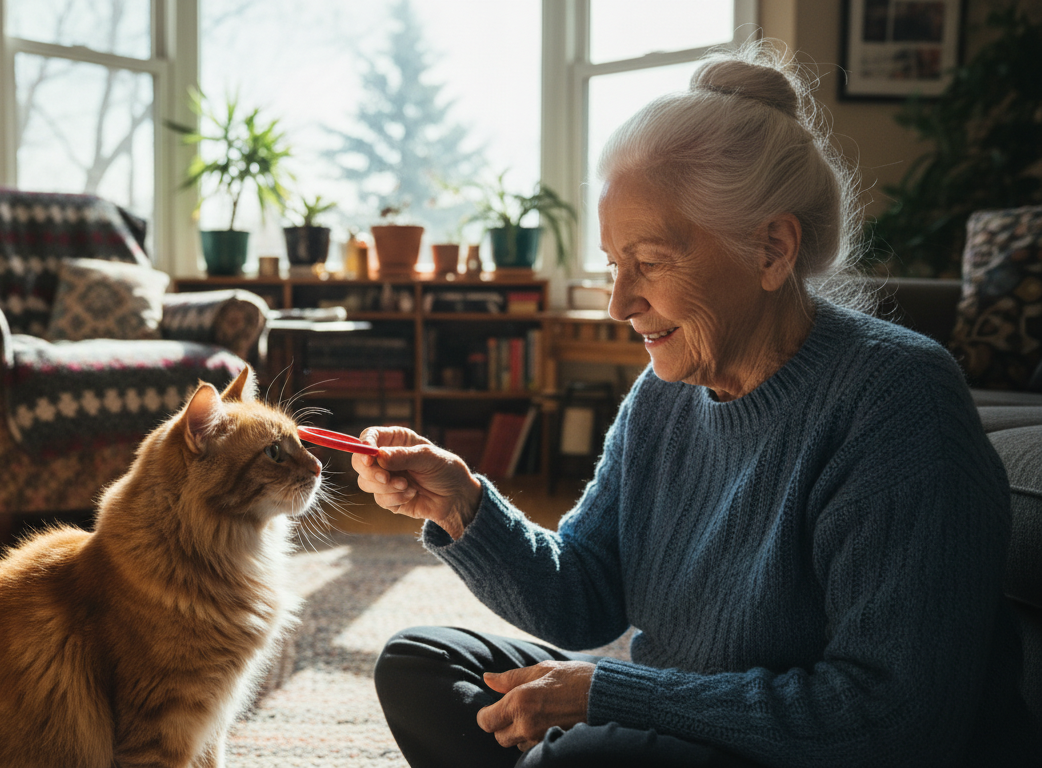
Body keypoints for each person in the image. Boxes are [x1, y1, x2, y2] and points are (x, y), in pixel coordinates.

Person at [354, 42, 1038, 768]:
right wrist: (461, 504)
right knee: (422, 663)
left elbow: (891, 720)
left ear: (771, 249)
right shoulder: (663, 395)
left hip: (814, 749)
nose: (620, 302)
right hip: (687, 715)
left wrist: (614, 697)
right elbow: (584, 595)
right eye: (614, 265)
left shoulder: (897, 401)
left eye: (648, 262)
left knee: (585, 756)